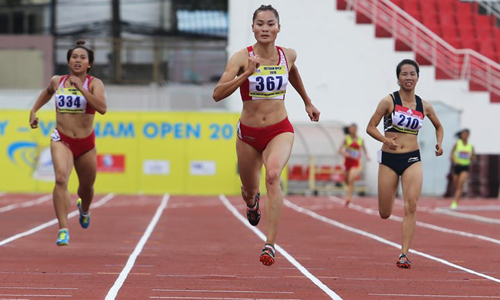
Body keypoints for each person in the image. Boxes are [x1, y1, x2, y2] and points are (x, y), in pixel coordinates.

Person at [213, 5, 320, 266]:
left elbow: (292, 72)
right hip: (248, 135)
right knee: (249, 191)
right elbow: (217, 94)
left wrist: (307, 101)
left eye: (270, 24)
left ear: (278, 28)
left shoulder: (288, 55)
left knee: (272, 176)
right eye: (260, 24)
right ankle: (252, 204)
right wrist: (247, 73)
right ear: (252, 28)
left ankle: (269, 244)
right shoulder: (241, 58)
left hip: (278, 129)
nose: (265, 28)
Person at [366, 59, 443, 269]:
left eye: (412, 74)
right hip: (390, 159)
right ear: (398, 77)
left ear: (418, 77)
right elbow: (370, 127)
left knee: (411, 204)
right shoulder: (388, 101)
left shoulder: (424, 105)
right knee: (385, 212)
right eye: (404, 74)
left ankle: (404, 253)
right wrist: (385, 140)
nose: (408, 78)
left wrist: (439, 144)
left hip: (412, 158)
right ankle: (390, 215)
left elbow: (439, 126)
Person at [29, 39, 107, 246]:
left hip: (86, 143)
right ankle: (63, 229)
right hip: (61, 139)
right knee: (61, 179)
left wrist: (81, 88)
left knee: (86, 189)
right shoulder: (58, 81)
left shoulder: (94, 83)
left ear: (89, 63)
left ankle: (85, 209)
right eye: (74, 57)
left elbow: (102, 108)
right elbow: (47, 92)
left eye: (82, 58)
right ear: (69, 61)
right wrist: (34, 110)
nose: (78, 60)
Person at [338, 123, 370, 206]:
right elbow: (340, 150)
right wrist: (345, 153)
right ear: (349, 130)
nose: (352, 130)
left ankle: (348, 198)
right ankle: (349, 189)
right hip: (347, 163)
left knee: (351, 179)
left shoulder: (360, 139)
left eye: (354, 128)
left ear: (356, 129)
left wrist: (367, 156)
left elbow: (364, 149)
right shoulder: (346, 138)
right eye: (351, 128)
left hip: (355, 163)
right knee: (346, 180)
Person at [450, 129, 474, 209]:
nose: (464, 136)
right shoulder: (457, 143)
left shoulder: (470, 146)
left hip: (465, 167)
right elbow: (452, 153)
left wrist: (471, 158)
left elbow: (473, 156)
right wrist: (453, 160)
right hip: (457, 166)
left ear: (468, 135)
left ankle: (455, 202)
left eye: (466, 134)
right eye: (463, 134)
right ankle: (456, 197)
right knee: (456, 185)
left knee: (460, 185)